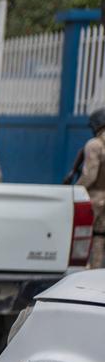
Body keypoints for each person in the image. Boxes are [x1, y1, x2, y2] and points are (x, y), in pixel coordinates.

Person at [78, 108, 105, 268]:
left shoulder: (95, 145)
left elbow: (90, 176)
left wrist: (75, 190)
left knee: (85, 236)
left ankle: (85, 274)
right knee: (100, 237)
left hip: (95, 199)